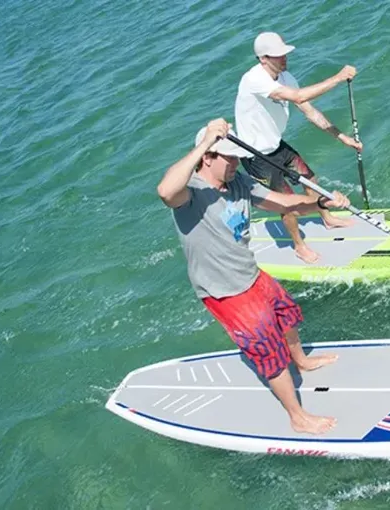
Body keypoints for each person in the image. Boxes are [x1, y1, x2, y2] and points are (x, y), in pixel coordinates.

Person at [156, 118, 352, 435]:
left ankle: (301, 361)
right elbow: (165, 190)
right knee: (268, 349)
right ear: (207, 157)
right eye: (229, 157)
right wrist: (206, 141)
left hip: (250, 274)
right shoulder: (190, 194)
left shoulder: (240, 184)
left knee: (285, 314)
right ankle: (297, 416)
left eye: (237, 156)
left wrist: (319, 202)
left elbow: (285, 202)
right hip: (225, 291)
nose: (237, 163)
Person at [235, 31, 362, 264]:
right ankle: (299, 246)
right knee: (287, 202)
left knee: (311, 179)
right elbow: (297, 97)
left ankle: (326, 218)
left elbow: (310, 111)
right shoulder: (254, 80)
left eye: (284, 53)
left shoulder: (285, 77)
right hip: (256, 156)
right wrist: (337, 78)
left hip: (275, 145)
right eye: (278, 55)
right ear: (263, 58)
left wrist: (341, 137)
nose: (284, 58)